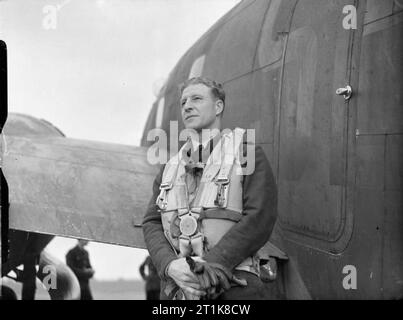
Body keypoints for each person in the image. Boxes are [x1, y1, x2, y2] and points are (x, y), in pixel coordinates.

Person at [142, 77, 278, 300]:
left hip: (234, 289)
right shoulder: (170, 167)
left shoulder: (248, 154)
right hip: (179, 290)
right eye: (184, 101)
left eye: (196, 98)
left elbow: (260, 217)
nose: (187, 105)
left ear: (218, 107)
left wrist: (212, 265)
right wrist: (169, 266)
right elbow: (152, 222)